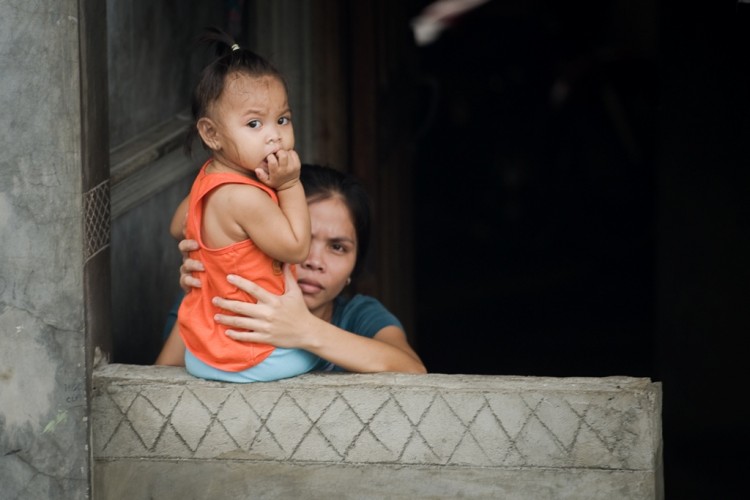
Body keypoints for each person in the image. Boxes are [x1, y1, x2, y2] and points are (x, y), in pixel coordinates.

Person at [156, 164, 426, 375]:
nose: (314, 261)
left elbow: (413, 370)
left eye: (338, 247)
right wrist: (203, 291)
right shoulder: (224, 302)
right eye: (303, 240)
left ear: (354, 268)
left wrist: (305, 330)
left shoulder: (358, 316)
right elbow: (161, 383)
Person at [171, 27, 314, 382]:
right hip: (250, 355)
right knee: (323, 353)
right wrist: (291, 184)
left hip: (206, 348)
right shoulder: (243, 196)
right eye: (254, 123)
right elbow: (296, 248)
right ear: (211, 134)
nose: (274, 134)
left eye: (282, 119)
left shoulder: (210, 178)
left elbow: (178, 225)